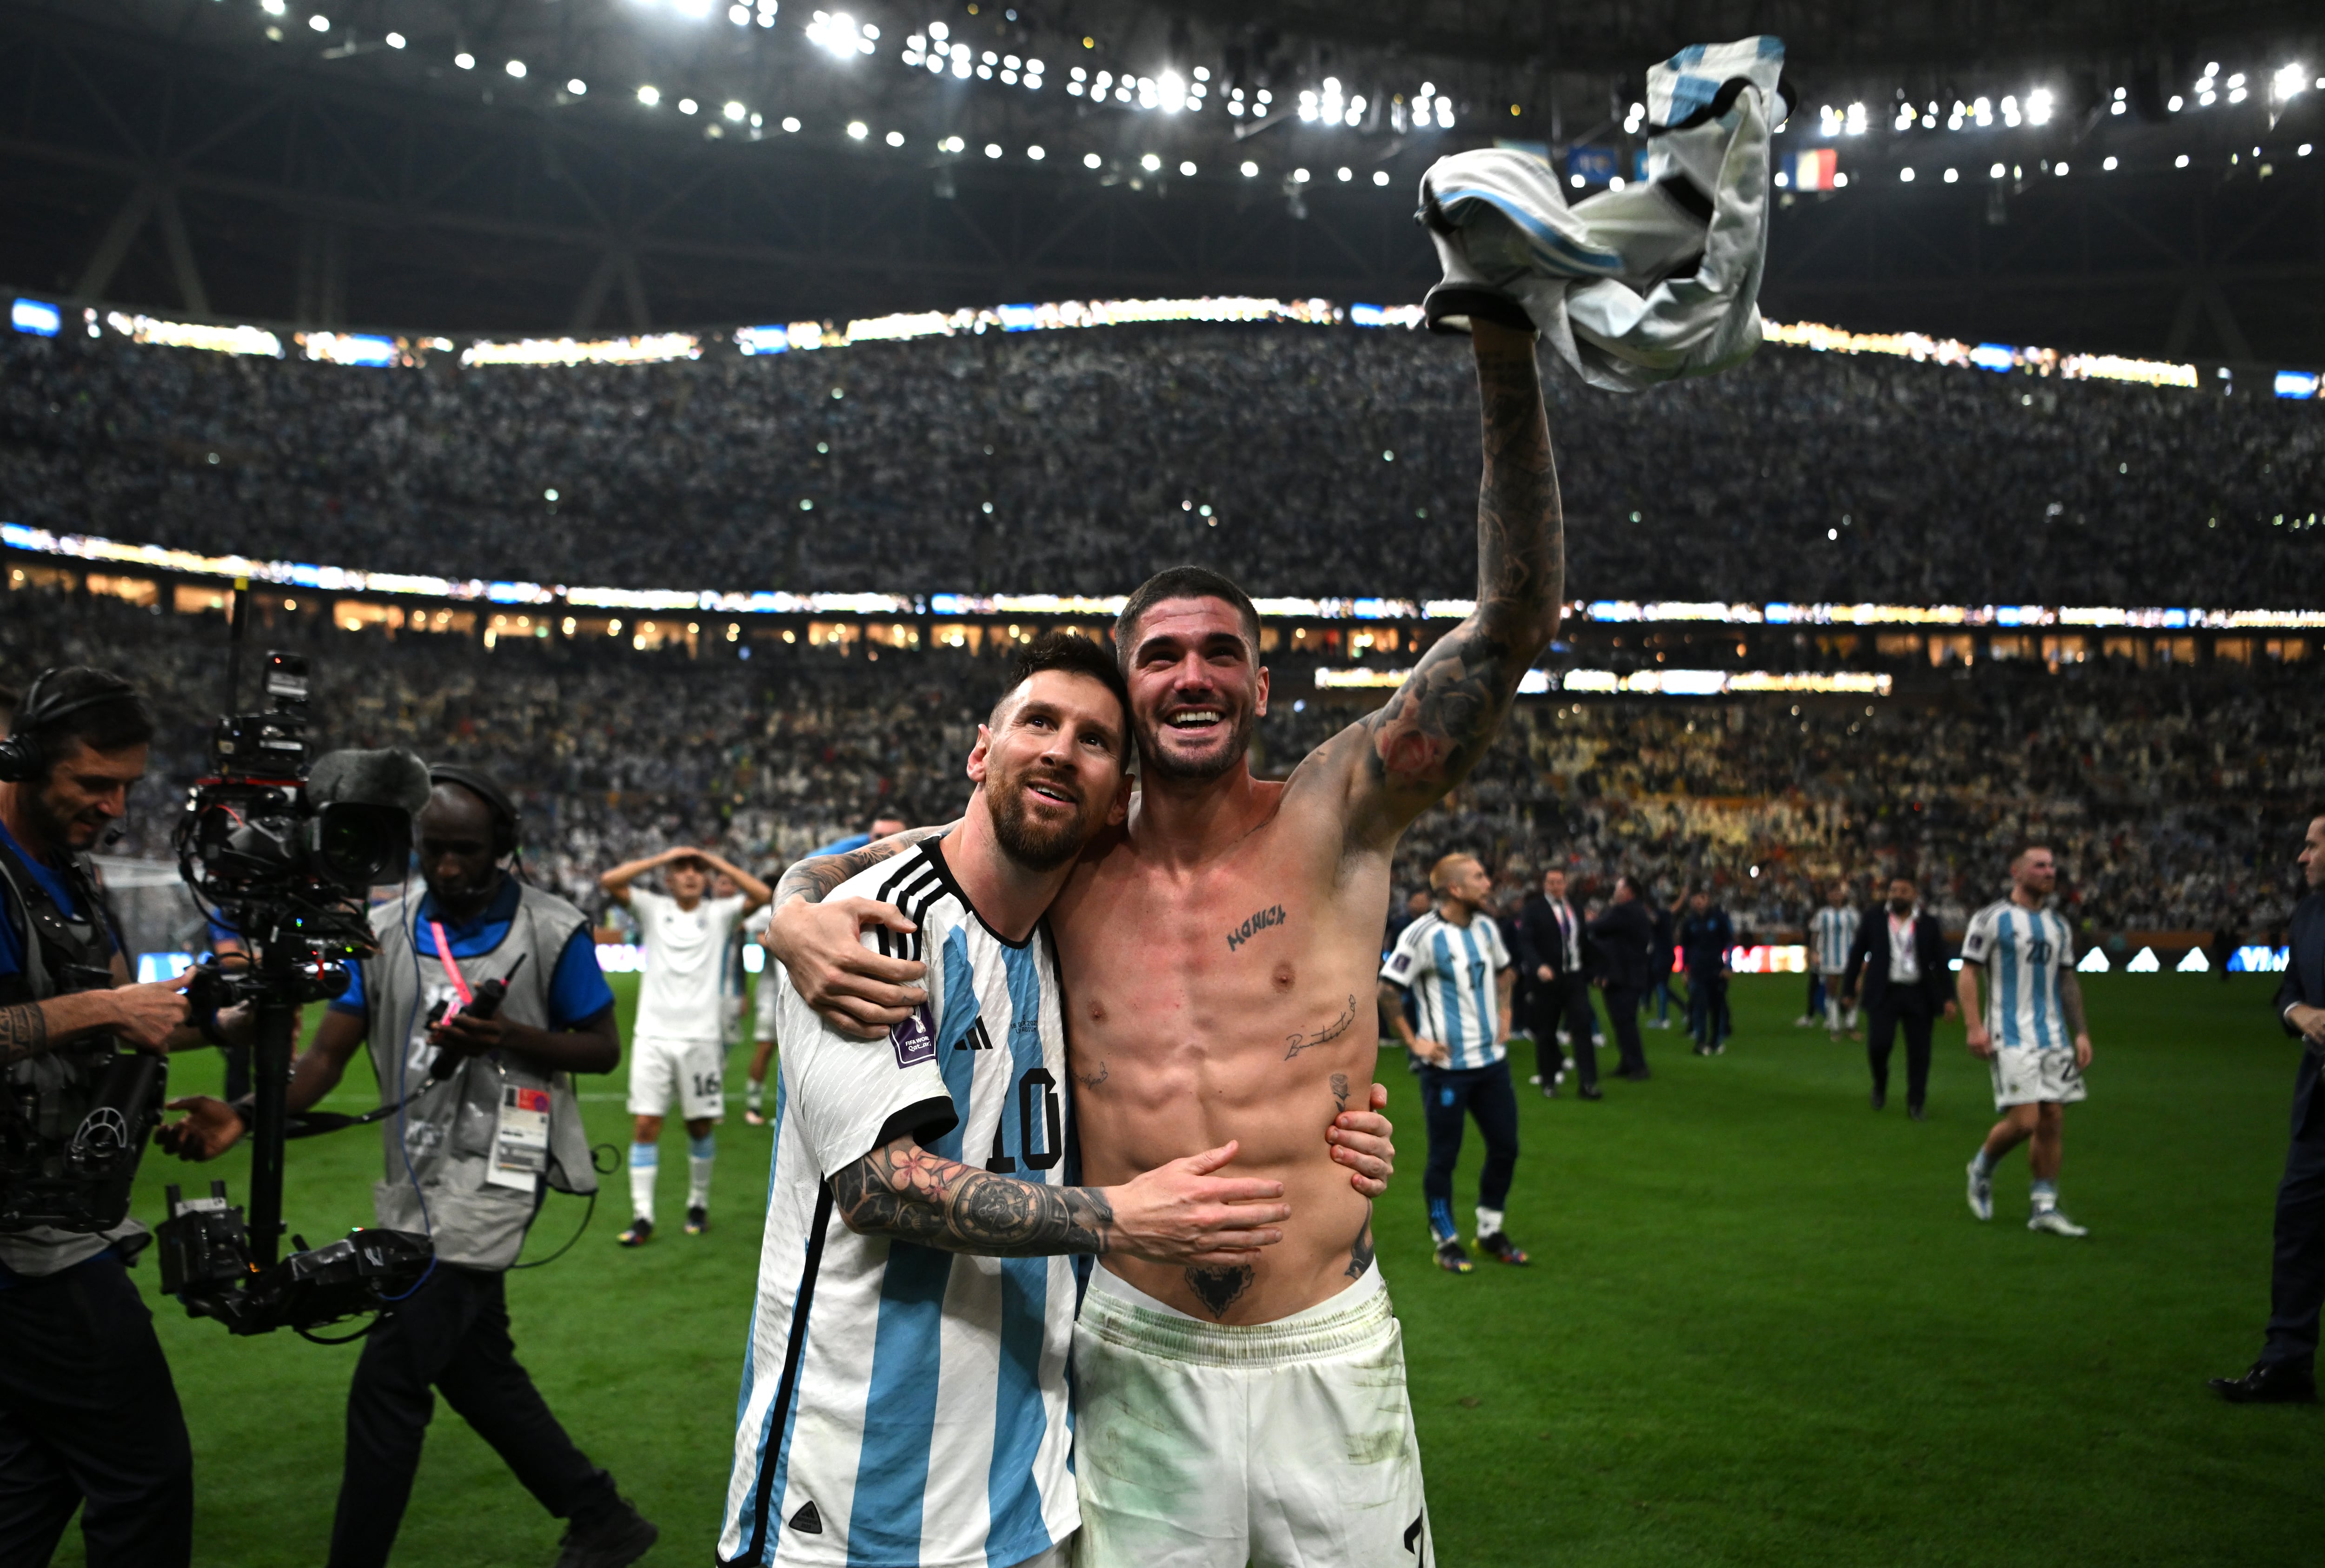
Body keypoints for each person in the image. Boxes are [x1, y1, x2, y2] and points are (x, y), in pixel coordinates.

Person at [765, 315, 1564, 1566]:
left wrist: (1504, 343)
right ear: (1131, 694)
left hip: (1330, 1347)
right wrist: (789, 910)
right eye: (1161, 656)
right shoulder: (1072, 852)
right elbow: (891, 855)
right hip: (1131, 1350)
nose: (1191, 674)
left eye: (1220, 654)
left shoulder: (1342, 813)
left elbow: (1515, 616)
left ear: (1259, 684)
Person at [719, 635, 1398, 1568]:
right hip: (854, 1494)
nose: (1057, 749)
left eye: (1091, 740)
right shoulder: (874, 928)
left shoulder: (1064, 940)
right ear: (980, 752)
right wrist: (1119, 1216)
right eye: (1037, 721)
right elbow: (879, 1186)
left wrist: (1336, 1127)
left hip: (1032, 1488)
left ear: (1117, 791)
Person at [164, 764, 658, 1568]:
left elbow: (600, 1047)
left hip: (502, 1173)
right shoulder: (385, 929)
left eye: (468, 849)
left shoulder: (552, 927)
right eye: (435, 849)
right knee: (475, 1366)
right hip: (417, 1176)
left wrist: (505, 1037)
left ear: (504, 846)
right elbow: (326, 1056)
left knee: (388, 1383)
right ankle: (600, 1514)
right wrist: (249, 1115)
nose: (451, 866)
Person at [0, 668, 199, 1568]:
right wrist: (108, 1009)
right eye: (93, 785)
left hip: (56, 1219)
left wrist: (222, 1014)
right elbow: (98, 1012)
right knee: (144, 1480)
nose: (114, 807)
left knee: (32, 1479)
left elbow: (116, 1019)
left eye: (126, 787)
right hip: (28, 1244)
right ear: (26, 761)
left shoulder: (74, 874)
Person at [598, 844, 770, 1241]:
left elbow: (762, 895)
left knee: (699, 1125)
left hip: (701, 1038)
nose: (691, 874)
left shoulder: (720, 913)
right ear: (669, 879)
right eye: (683, 869)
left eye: (698, 869)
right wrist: (664, 857)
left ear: (706, 877)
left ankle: (698, 1204)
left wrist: (714, 861)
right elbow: (610, 881)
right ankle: (642, 1216)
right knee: (645, 1123)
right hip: (652, 1036)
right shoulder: (653, 907)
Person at [2211, 809, 2325, 1403]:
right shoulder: (2307, 914)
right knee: (2298, 1233)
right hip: (2317, 1111)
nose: (2300, 857)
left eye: (2311, 845)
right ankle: (2285, 1363)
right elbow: (2289, 990)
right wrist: (2298, 1014)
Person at [1380, 853, 1528, 1272]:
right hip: (1447, 1069)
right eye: (1480, 877)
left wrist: (1505, 1014)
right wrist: (1415, 1043)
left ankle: (1489, 1230)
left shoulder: (1485, 927)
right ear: (1455, 889)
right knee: (1445, 1155)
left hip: (1492, 1063)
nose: (1489, 883)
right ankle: (1446, 1241)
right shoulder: (1421, 934)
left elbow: (1505, 973)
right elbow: (1388, 990)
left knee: (1506, 1146)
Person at [1960, 846, 2095, 1237]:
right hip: (2009, 1032)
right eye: (2040, 865)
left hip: (2052, 1035)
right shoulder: (1991, 918)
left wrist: (2081, 1031)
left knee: (2053, 1118)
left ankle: (2044, 1207)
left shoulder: (2058, 926)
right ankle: (1981, 1168)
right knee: (2024, 1121)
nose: (2049, 871)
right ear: (2016, 871)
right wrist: (1973, 1027)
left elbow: (2067, 980)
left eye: (2053, 866)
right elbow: (1968, 972)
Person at [741, 814, 905, 1127]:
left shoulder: (918, 893)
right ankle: (759, 1104)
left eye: (890, 837)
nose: (881, 844)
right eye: (875, 837)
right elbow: (763, 927)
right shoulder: (829, 891)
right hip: (798, 994)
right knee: (773, 1050)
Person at [1843, 877, 1956, 1118]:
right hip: (1885, 992)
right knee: (1879, 1045)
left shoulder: (1928, 923)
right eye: (1893, 890)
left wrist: (1949, 997)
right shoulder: (1874, 918)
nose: (1897, 895)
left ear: (1914, 894)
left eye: (1903, 891)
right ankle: (1880, 1084)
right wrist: (1848, 991)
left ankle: (1916, 1102)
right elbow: (1857, 954)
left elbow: (1941, 963)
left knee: (1920, 1052)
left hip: (1919, 993)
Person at [1517, 866, 1599, 1100]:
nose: (1556, 886)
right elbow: (1526, 942)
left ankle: (1588, 1083)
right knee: (1547, 1031)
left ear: (1566, 884)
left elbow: (1582, 940)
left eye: (1560, 882)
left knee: (1582, 1026)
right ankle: (1549, 1080)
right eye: (1551, 882)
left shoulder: (1575, 907)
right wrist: (1538, 966)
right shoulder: (1533, 910)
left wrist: (1593, 969)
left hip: (1574, 976)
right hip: (1547, 979)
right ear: (1544, 884)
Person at [1587, 874, 1658, 1081]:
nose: (1615, 891)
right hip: (1630, 974)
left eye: (1619, 887)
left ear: (1628, 891)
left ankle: (1637, 1065)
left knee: (1624, 1021)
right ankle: (1629, 1062)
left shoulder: (1625, 911)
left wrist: (1589, 922)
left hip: (1624, 976)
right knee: (1624, 1021)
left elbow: (1599, 927)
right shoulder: (1636, 911)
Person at [1676, 886, 1734, 1056]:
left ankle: (1716, 1041)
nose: (1698, 902)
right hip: (1697, 971)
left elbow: (1729, 943)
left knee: (1716, 1007)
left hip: (1716, 969)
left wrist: (1728, 966)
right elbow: (1685, 947)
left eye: (1701, 898)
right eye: (1695, 899)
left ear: (1708, 899)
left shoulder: (1719, 918)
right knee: (1699, 1006)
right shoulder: (1690, 922)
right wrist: (1684, 970)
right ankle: (1701, 1042)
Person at [1809, 880, 1862, 1038]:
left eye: (1838, 892)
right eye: (1832, 893)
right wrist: (1814, 952)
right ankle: (1835, 1026)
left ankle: (1851, 1024)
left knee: (1855, 990)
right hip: (1830, 958)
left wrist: (1864, 956)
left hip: (1851, 958)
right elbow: (1815, 933)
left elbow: (1861, 935)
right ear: (1827, 896)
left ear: (1843, 895)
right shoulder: (1822, 914)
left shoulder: (1852, 914)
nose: (1835, 896)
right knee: (1832, 990)